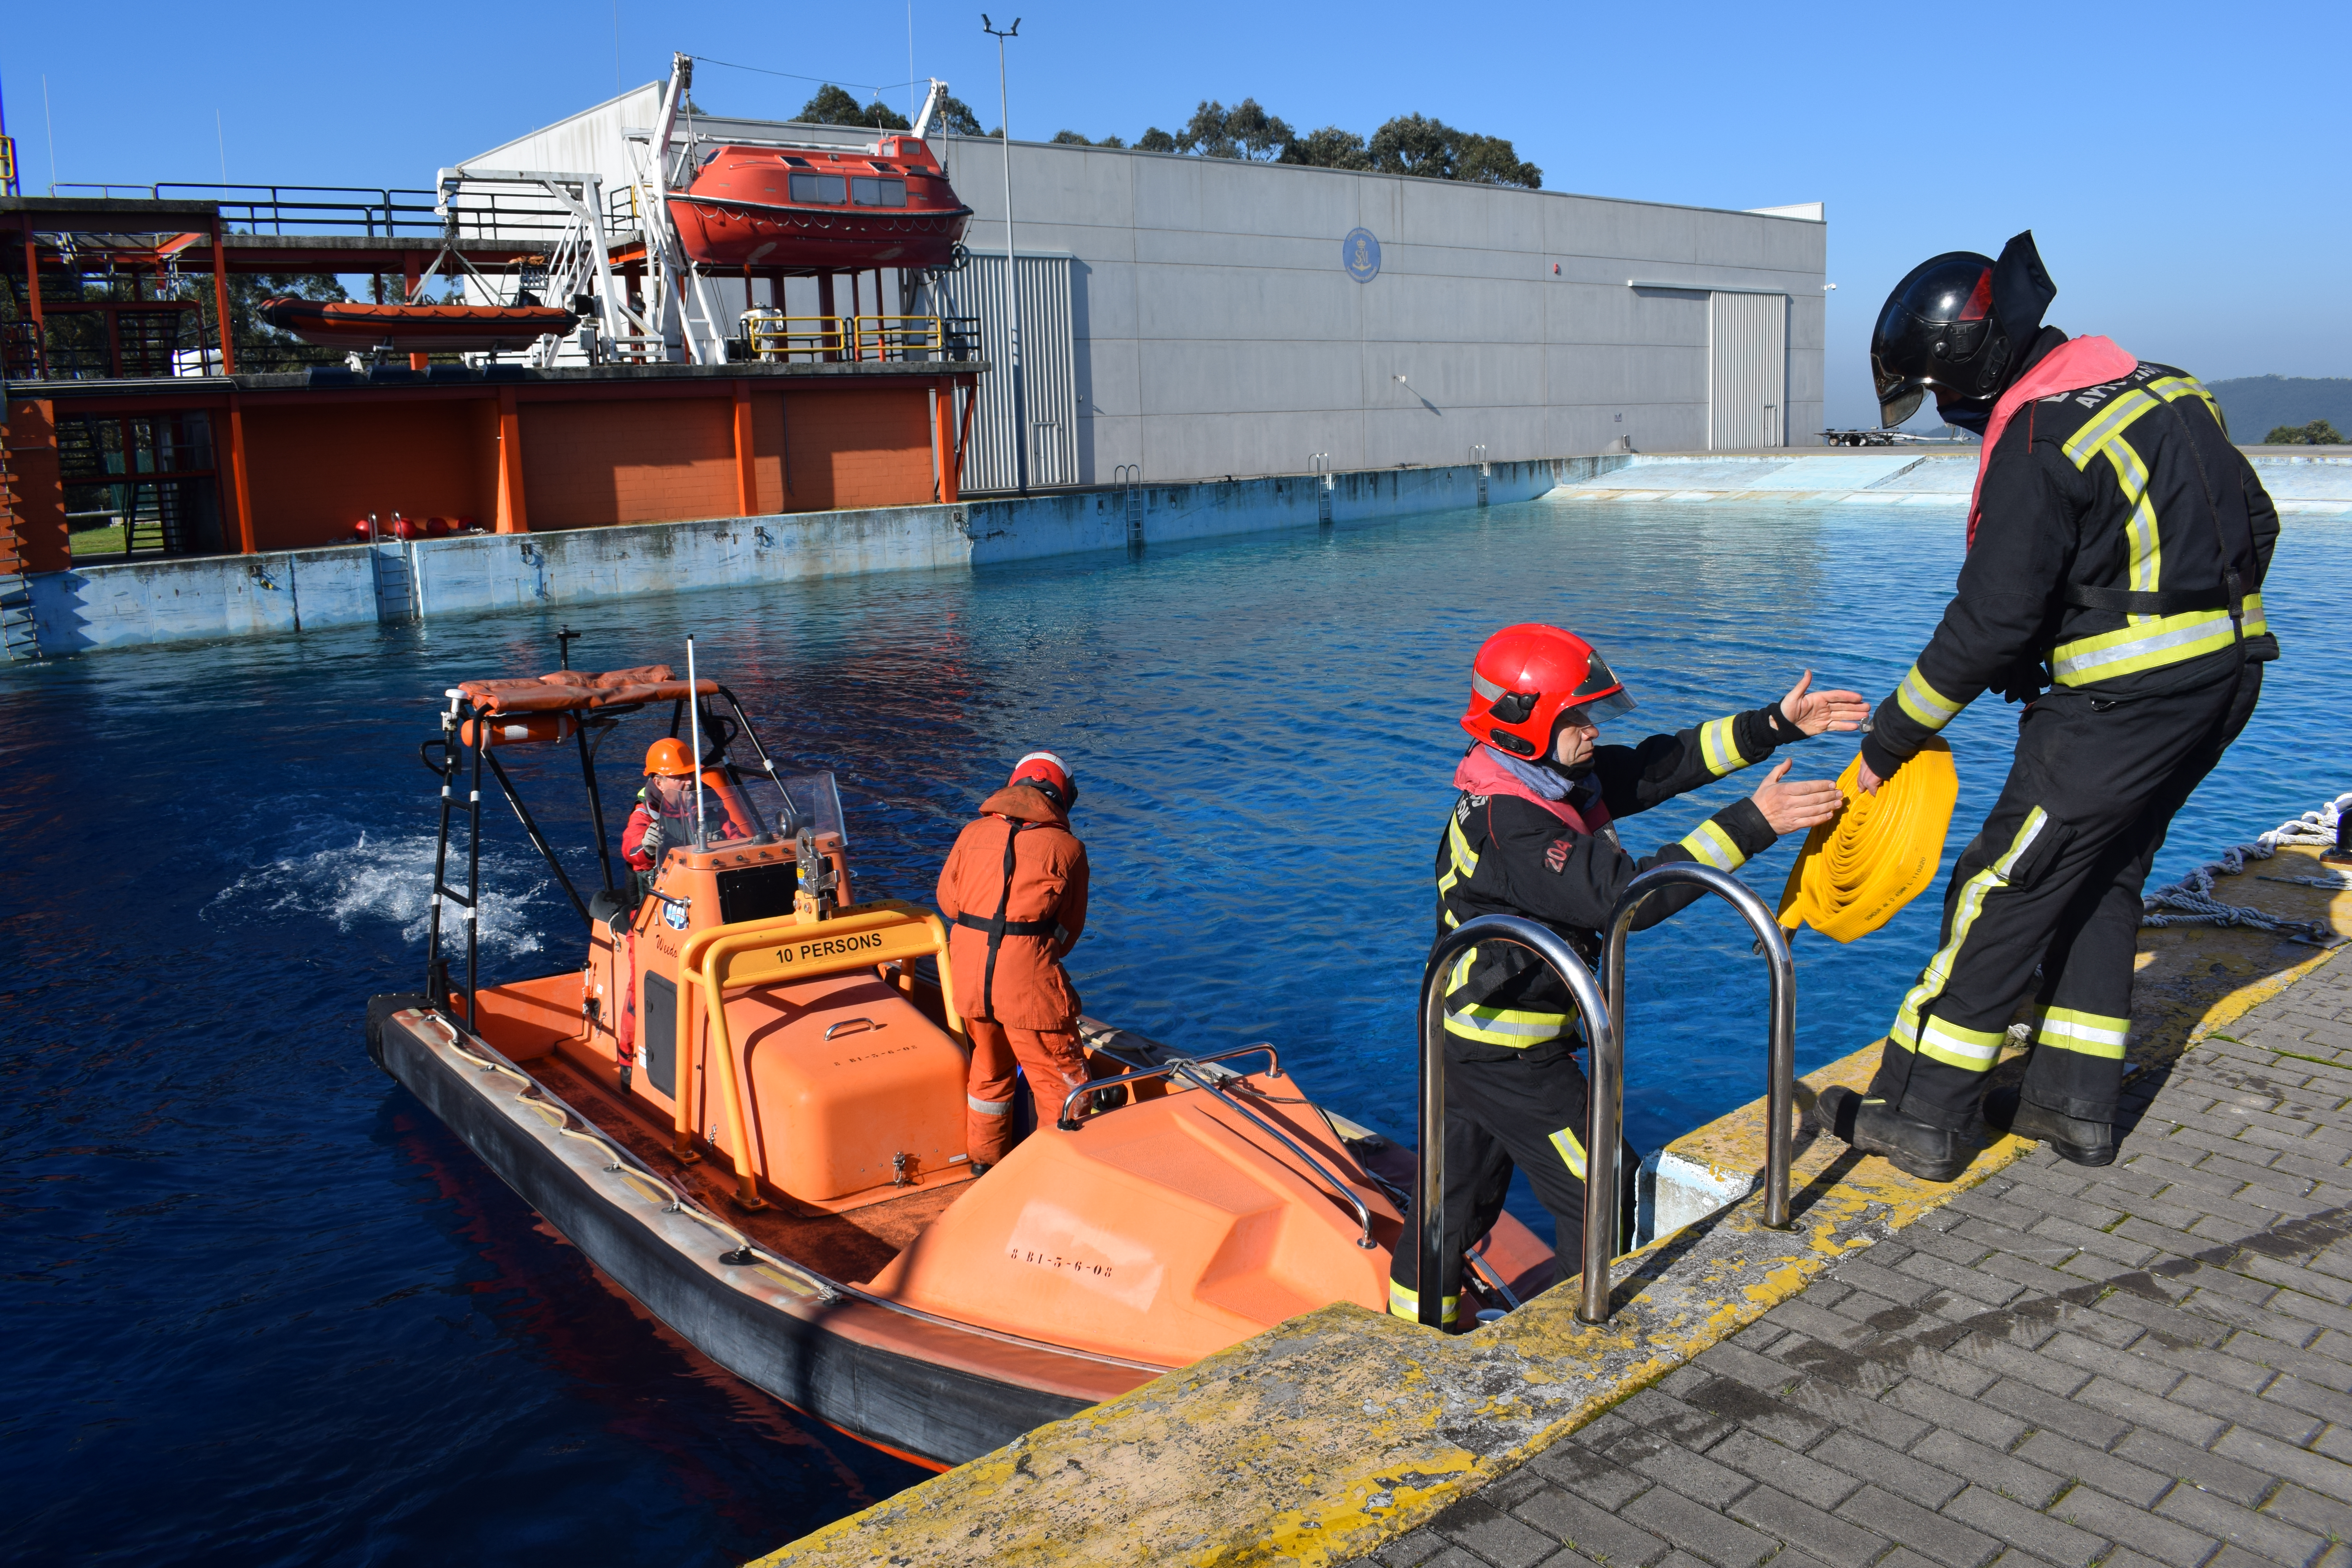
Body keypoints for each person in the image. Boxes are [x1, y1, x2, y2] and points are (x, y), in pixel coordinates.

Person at [1813, 232, 2280, 1181]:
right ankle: (2071, 1106)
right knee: (2101, 872)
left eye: (1945, 396)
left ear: (1972, 364)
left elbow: (1985, 625)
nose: (1950, 414)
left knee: (2001, 888)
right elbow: (2255, 522)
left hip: (2120, 708)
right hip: (2224, 680)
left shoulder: (2039, 437)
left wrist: (1886, 745)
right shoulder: (2166, 386)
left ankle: (1921, 1115)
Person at [1389, 624, 1864, 1326]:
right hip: (1507, 1051)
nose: (1589, 730)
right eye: (1574, 717)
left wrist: (1774, 725)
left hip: (1465, 1036)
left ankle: (1416, 1331)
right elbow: (1631, 898)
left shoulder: (1541, 778)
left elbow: (1658, 766)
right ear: (1526, 726)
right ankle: (1573, 1337)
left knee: (1452, 1198)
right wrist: (1754, 823)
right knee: (1604, 1190)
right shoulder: (1515, 825)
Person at [936, 751, 1095, 1174]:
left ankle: (985, 1167)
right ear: (1063, 796)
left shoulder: (971, 833)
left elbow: (948, 903)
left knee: (988, 1073)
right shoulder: (1069, 848)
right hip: (1027, 986)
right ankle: (1058, 1174)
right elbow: (1069, 929)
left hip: (969, 978)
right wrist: (1032, 949)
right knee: (1061, 1080)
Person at [622, 737, 744, 876]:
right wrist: (647, 847)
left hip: (707, 880)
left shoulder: (710, 804)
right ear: (659, 784)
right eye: (680, 777)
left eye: (691, 774)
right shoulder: (647, 812)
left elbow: (738, 840)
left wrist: (723, 845)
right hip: (667, 887)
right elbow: (630, 849)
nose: (690, 782)